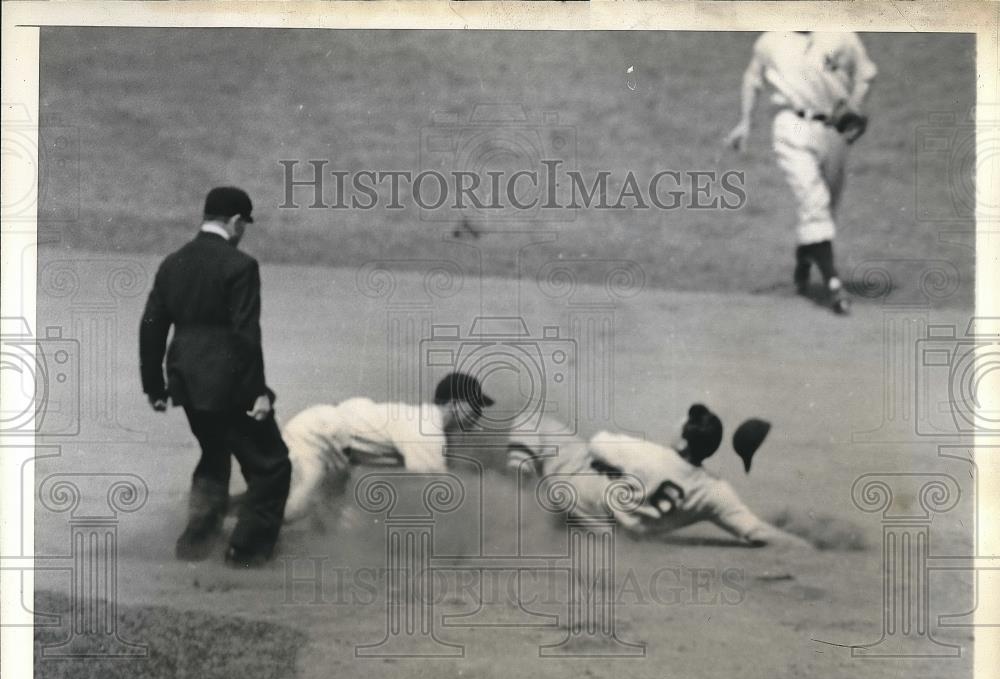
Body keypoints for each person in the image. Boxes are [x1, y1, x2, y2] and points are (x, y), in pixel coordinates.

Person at [140, 186, 291, 567]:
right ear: (237, 221)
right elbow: (245, 334)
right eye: (245, 225)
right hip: (229, 385)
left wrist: (154, 386)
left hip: (187, 385)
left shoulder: (173, 262)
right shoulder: (240, 266)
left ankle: (195, 543)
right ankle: (245, 553)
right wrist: (257, 392)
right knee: (271, 466)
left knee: (214, 452)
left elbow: (152, 327)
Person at [725, 32, 877, 315]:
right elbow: (752, 78)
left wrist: (856, 102)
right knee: (814, 202)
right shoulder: (771, 40)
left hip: (834, 130)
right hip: (791, 125)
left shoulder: (841, 34)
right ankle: (834, 286)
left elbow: (866, 74)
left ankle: (806, 255)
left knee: (827, 208)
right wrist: (745, 121)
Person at [508, 405, 803, 547]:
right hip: (608, 531)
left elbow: (597, 443)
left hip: (568, 489)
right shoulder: (714, 492)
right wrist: (806, 547)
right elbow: (755, 531)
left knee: (532, 419)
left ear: (683, 441)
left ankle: (514, 501)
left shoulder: (649, 453)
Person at [280, 372, 494, 524]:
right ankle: (250, 545)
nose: (479, 412)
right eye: (474, 404)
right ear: (454, 403)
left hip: (334, 445)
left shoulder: (422, 422)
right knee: (296, 507)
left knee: (341, 520)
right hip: (317, 435)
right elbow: (438, 493)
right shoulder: (426, 429)